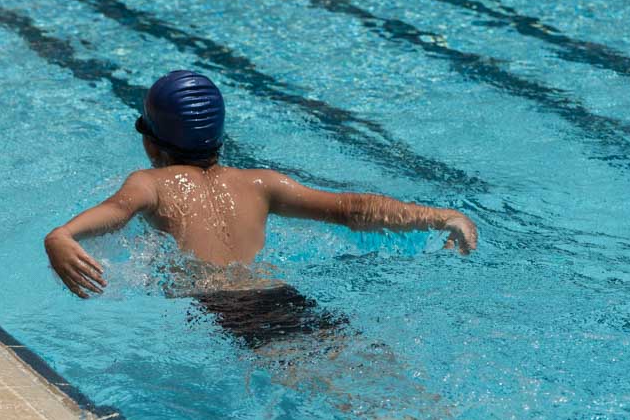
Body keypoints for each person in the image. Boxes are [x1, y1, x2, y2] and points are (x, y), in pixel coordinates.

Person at [44, 70, 478, 304]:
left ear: (149, 143)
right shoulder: (260, 183)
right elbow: (352, 208)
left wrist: (61, 235)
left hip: (223, 312)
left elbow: (116, 212)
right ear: (221, 138)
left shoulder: (151, 183)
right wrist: (441, 216)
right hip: (281, 294)